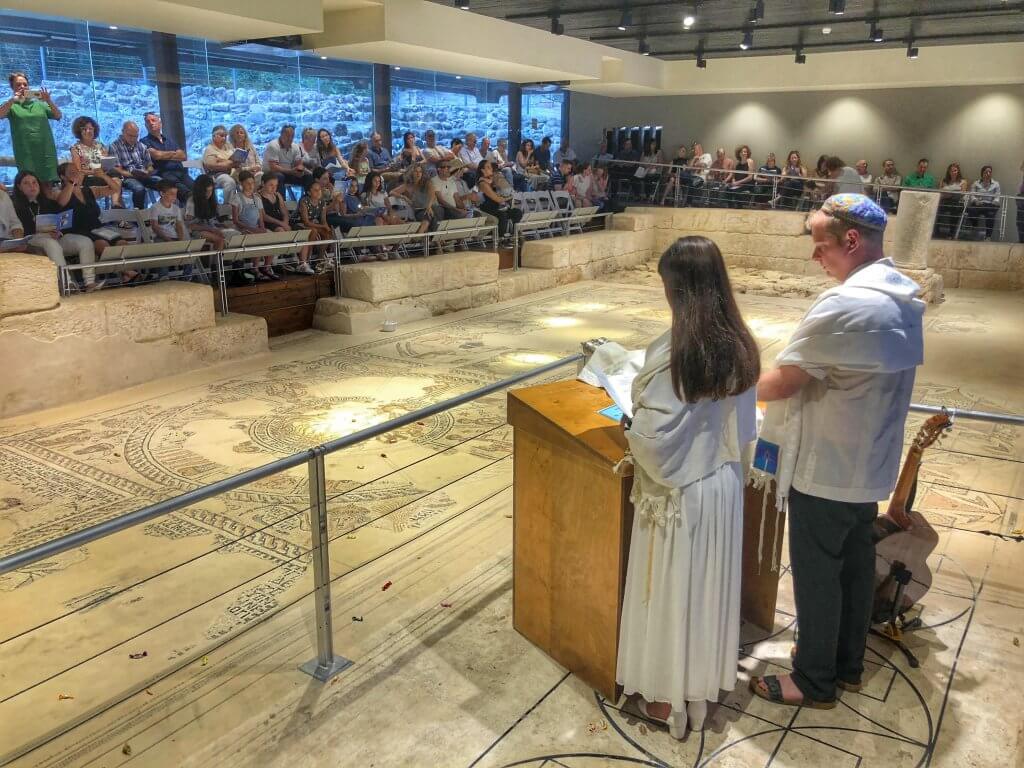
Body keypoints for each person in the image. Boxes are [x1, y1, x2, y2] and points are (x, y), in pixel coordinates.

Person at [750, 193, 924, 711]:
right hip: (867, 467)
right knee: (852, 568)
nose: (814, 256)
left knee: (817, 577)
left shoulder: (847, 304)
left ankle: (813, 679)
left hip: (824, 471)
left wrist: (723, 384)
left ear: (851, 241)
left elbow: (783, 383)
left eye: (820, 245)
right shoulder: (904, 298)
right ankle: (846, 664)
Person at [618, 235, 760, 738]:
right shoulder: (739, 342)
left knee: (672, 594)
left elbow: (655, 441)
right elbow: (745, 429)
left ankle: (664, 699)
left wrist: (628, 426)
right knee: (705, 595)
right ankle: (699, 688)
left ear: (679, 290)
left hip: (681, 494)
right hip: (721, 487)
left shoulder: (680, 352)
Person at [12, 169, 102, 290]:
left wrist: (60, 231)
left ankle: (90, 282)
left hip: (55, 237)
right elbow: (18, 229)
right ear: (19, 187)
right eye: (26, 183)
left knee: (85, 242)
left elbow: (63, 220)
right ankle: (67, 283)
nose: (31, 186)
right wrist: (42, 232)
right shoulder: (15, 206)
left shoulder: (48, 203)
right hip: (32, 239)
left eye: (34, 182)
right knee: (51, 243)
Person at [54, 161, 127, 282]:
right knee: (103, 245)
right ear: (63, 177)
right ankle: (126, 273)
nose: (76, 174)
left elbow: (115, 189)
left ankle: (126, 274)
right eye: (72, 173)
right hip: (78, 231)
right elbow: (62, 202)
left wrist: (103, 175)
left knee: (122, 243)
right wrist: (72, 183)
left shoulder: (89, 191)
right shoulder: (58, 192)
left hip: (97, 228)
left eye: (77, 171)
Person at [1, 72, 61, 182]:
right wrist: (12, 100)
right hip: (25, 153)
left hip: (45, 151)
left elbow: (58, 115)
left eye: (25, 84)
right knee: (29, 183)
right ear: (12, 88)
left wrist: (48, 100)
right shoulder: (11, 106)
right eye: (18, 85)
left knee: (50, 186)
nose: (22, 87)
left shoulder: (39, 104)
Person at [259, 173, 314, 274]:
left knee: (302, 233)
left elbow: (284, 211)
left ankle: (303, 263)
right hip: (269, 222)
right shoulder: (258, 196)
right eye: (271, 185)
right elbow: (264, 216)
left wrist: (285, 222)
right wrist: (281, 224)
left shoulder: (277, 195)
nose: (273, 188)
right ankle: (274, 259)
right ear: (263, 183)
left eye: (275, 185)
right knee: (280, 230)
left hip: (281, 221)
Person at [141, 112, 193, 203]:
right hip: (164, 175)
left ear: (160, 123)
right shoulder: (144, 141)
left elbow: (183, 156)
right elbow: (156, 156)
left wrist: (163, 155)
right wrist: (173, 153)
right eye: (148, 122)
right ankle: (187, 214)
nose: (151, 123)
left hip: (180, 172)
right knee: (186, 193)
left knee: (199, 190)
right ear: (146, 126)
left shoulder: (169, 140)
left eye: (153, 120)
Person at [110, 121, 160, 209]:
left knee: (164, 183)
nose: (133, 139)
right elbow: (118, 170)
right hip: (127, 177)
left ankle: (163, 212)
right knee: (139, 189)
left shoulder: (141, 146)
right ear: (123, 132)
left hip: (143, 175)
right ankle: (139, 217)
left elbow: (149, 165)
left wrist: (148, 171)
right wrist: (134, 175)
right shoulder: (114, 146)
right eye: (130, 136)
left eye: (136, 136)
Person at [476, 159, 521, 243]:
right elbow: (497, 199)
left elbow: (505, 189)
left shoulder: (493, 180)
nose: (491, 169)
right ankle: (500, 239)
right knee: (502, 215)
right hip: (487, 209)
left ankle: (514, 235)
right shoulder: (482, 183)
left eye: (491, 167)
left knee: (517, 212)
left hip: (496, 208)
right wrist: (509, 197)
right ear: (482, 170)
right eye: (488, 167)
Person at [391, 164, 441, 235]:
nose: (418, 174)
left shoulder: (427, 183)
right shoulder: (408, 185)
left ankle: (420, 234)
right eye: (416, 171)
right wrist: (404, 197)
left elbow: (432, 195)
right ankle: (437, 241)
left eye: (420, 172)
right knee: (429, 216)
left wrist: (429, 206)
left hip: (432, 208)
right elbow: (392, 192)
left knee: (429, 214)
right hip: (418, 211)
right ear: (412, 173)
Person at [264, 125, 312, 190]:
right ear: (281, 135)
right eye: (287, 136)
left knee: (308, 176)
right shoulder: (273, 146)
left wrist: (300, 171)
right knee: (279, 176)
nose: (290, 138)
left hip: (289, 173)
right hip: (271, 174)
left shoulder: (295, 147)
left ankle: (308, 199)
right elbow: (273, 167)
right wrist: (290, 171)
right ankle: (281, 200)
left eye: (292, 136)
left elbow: (298, 164)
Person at [69, 116, 110, 189]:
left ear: (94, 130)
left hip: (103, 175)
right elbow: (78, 170)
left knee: (116, 178)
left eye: (90, 128)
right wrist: (94, 172)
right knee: (113, 180)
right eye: (84, 129)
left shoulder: (100, 145)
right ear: (79, 131)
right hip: (87, 178)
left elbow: (106, 163)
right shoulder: (75, 149)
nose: (88, 131)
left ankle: (116, 201)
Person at [202, 124, 240, 203]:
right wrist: (230, 163)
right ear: (214, 136)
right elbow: (212, 165)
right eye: (221, 136)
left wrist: (222, 160)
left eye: (225, 136)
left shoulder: (228, 146)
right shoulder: (209, 149)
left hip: (234, 171)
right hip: (218, 175)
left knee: (249, 177)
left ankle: (243, 207)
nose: (224, 138)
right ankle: (224, 207)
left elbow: (235, 160)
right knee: (229, 182)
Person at [967, 165, 1001, 241]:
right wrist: (975, 201)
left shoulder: (996, 184)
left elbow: (997, 196)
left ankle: (988, 236)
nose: (988, 174)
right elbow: (972, 195)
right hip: (978, 203)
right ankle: (974, 227)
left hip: (990, 204)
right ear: (982, 173)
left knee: (991, 215)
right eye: (986, 172)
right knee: (971, 210)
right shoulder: (976, 183)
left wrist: (995, 202)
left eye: (990, 172)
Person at [937, 162, 969, 239]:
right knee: (935, 208)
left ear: (958, 171)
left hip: (957, 202)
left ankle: (951, 233)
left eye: (955, 170)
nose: (953, 172)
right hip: (944, 201)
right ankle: (935, 231)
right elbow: (939, 193)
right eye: (951, 171)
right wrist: (952, 193)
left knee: (955, 210)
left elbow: (962, 194)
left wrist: (948, 193)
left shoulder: (963, 181)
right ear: (948, 172)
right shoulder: (944, 181)